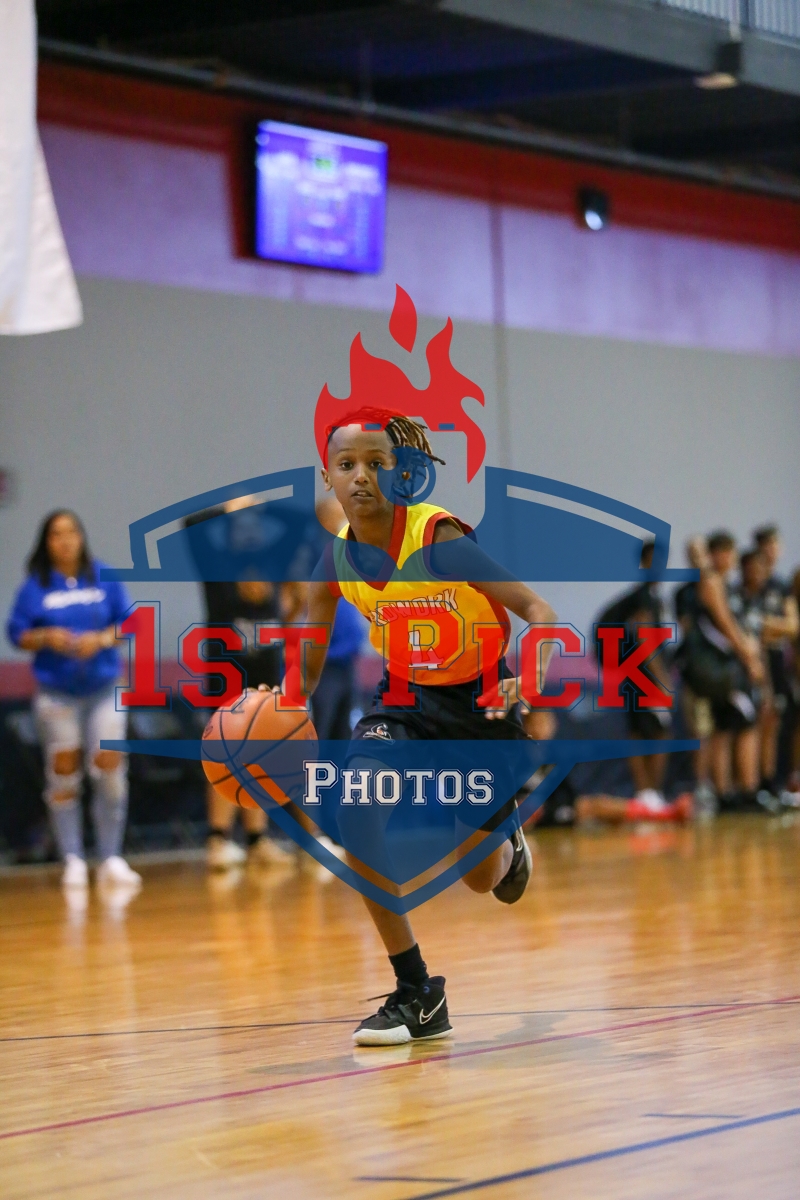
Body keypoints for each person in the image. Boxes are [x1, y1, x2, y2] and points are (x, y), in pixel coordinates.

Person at [304, 409, 556, 1046]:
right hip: (404, 698)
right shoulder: (335, 562)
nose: (361, 476)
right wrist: (284, 705)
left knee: (481, 878)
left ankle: (507, 842)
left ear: (403, 472)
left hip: (481, 705)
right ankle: (417, 992)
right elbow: (308, 654)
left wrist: (531, 671)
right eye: (346, 465)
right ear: (328, 476)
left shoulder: (437, 538)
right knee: (356, 809)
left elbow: (537, 609)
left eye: (377, 463)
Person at [6, 510, 140, 889]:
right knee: (63, 771)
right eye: (56, 534)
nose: (65, 541)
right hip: (57, 693)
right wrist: (46, 637)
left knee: (110, 768)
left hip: (104, 687)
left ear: (82, 537)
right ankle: (73, 858)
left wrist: (101, 639)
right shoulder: (36, 587)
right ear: (46, 542)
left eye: (71, 533)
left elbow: (131, 623)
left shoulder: (103, 577)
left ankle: (111, 856)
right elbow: (16, 634)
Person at [185, 496, 304, 870]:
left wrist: (262, 506)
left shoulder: (273, 564)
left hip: (265, 681)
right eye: (241, 528)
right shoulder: (218, 568)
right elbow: (192, 525)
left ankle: (256, 840)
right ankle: (217, 839)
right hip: (227, 680)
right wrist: (228, 509)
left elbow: (300, 523)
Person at [681, 531, 764, 806]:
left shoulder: (719, 583)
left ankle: (727, 793)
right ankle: (743, 791)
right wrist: (748, 657)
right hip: (719, 671)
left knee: (724, 727)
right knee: (742, 724)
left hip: (717, 669)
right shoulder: (711, 581)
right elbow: (725, 624)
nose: (731, 558)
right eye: (727, 552)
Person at [596, 541, 672, 812]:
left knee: (643, 731)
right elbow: (645, 639)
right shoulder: (643, 598)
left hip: (634, 676)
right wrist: (662, 679)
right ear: (644, 563)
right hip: (643, 677)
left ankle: (647, 795)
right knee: (657, 732)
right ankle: (649, 794)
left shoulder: (649, 598)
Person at [311, 495, 367, 741]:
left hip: (346, 664)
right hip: (323, 667)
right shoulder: (311, 560)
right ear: (324, 522)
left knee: (345, 733)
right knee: (320, 732)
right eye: (340, 516)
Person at [752, 526, 799, 791]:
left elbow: (792, 626)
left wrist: (767, 625)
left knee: (778, 720)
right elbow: (750, 625)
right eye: (767, 545)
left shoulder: (782, 586)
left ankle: (774, 782)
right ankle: (754, 785)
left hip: (778, 661)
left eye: (775, 545)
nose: (772, 551)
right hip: (756, 660)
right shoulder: (749, 584)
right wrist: (770, 627)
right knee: (758, 721)